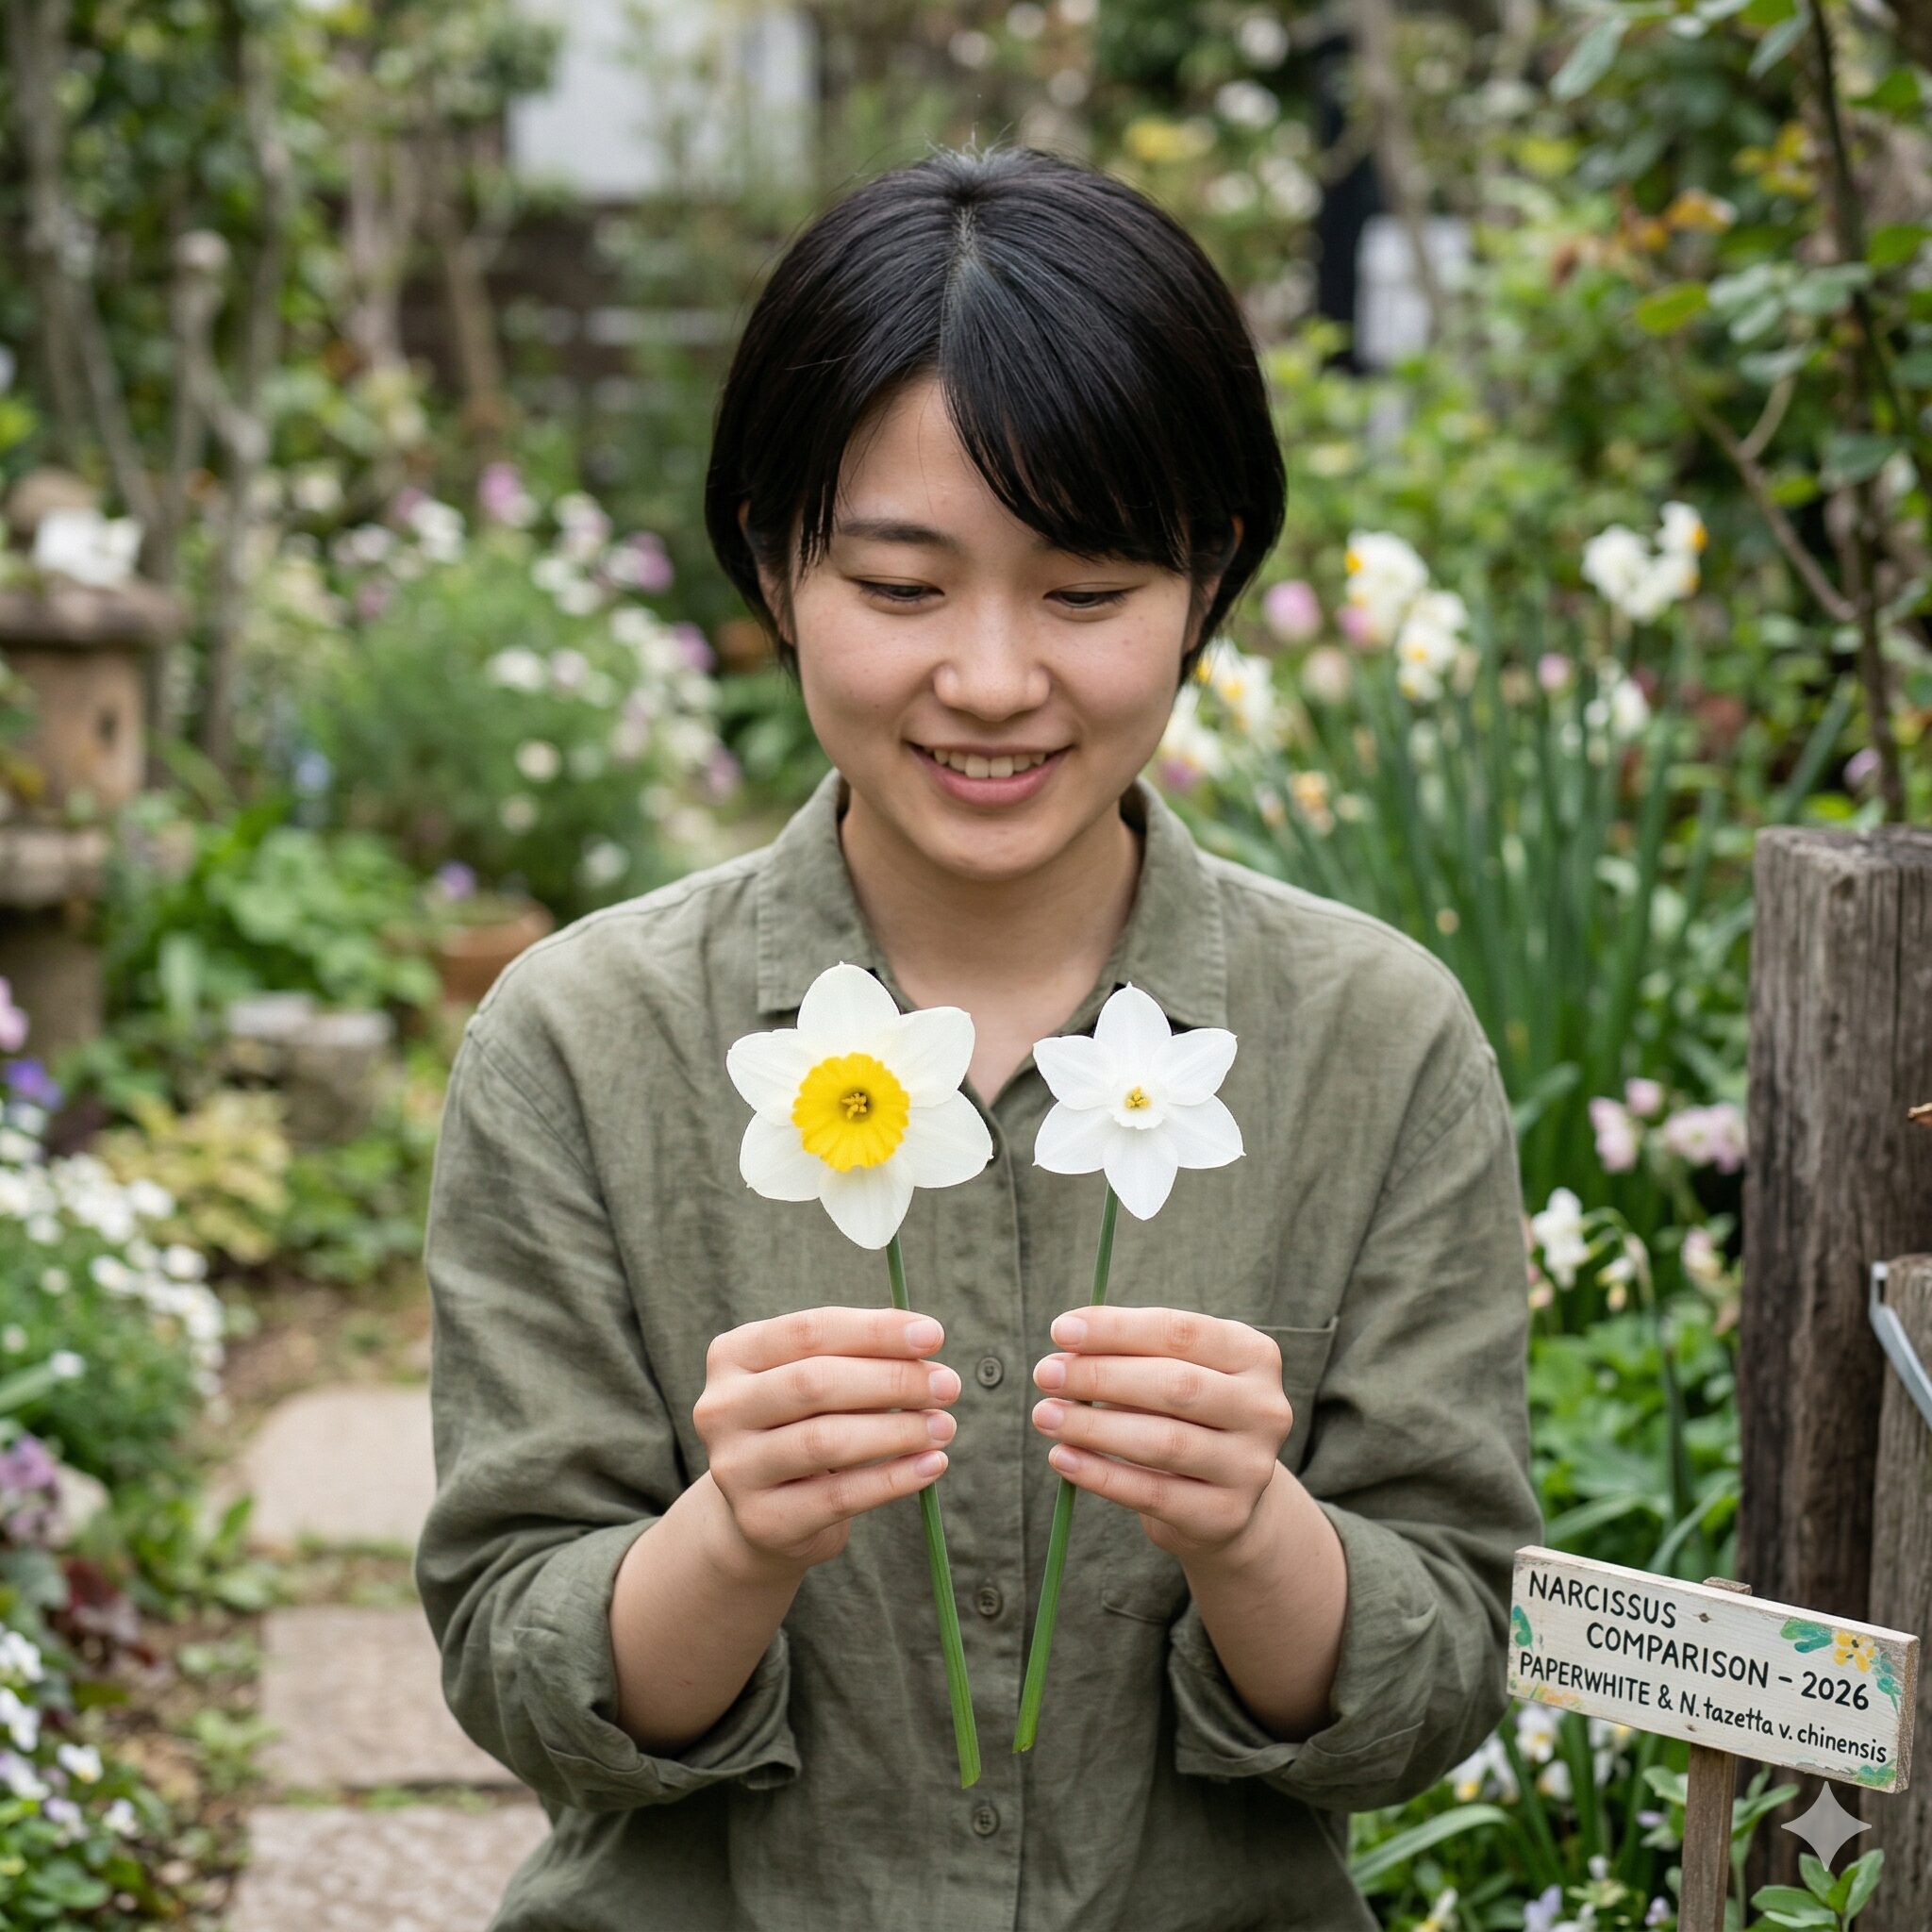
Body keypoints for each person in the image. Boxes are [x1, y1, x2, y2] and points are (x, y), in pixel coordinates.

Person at [417, 141, 1541, 1930]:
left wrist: (1253, 1529)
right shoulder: (584, 1040)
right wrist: (740, 1534)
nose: (998, 678)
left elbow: (1437, 1678)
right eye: (902, 585)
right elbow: (518, 1663)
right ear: (777, 569)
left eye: (1087, 594)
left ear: (1209, 578)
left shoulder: (1373, 1043)